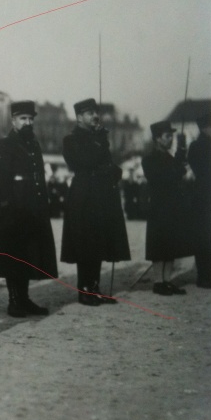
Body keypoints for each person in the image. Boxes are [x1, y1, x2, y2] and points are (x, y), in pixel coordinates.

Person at [0, 101, 57, 318]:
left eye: (30, 119)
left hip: (32, 206)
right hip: (13, 207)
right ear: (13, 121)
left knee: (29, 252)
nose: (28, 123)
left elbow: (40, 177)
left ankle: (25, 298)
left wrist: (43, 204)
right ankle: (14, 300)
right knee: (13, 253)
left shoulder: (33, 145)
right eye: (23, 119)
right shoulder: (4, 145)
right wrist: (5, 206)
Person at [60, 98, 130, 305]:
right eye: (90, 113)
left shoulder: (99, 138)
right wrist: (101, 143)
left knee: (99, 240)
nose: (95, 116)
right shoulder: (71, 140)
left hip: (102, 195)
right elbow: (86, 161)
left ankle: (95, 287)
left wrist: (113, 170)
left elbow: (109, 166)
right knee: (85, 242)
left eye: (95, 112)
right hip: (83, 196)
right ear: (79, 116)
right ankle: (84, 290)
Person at [141, 121, 194, 295]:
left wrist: (180, 157)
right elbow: (158, 178)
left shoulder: (171, 158)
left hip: (172, 205)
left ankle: (167, 280)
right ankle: (158, 282)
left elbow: (179, 173)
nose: (170, 139)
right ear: (157, 138)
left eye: (171, 136)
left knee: (171, 243)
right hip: (158, 206)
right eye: (167, 136)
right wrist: (177, 171)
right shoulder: (148, 158)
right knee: (158, 244)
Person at [187, 113, 211, 289]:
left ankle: (206, 274)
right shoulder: (200, 146)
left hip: (205, 195)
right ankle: (206, 275)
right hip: (205, 196)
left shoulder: (197, 145)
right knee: (205, 237)